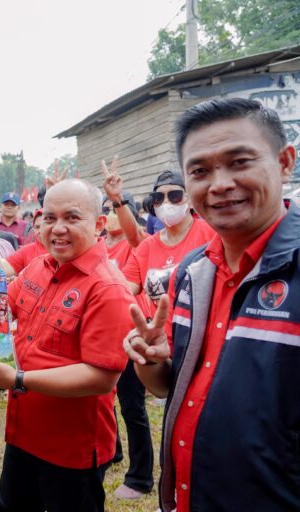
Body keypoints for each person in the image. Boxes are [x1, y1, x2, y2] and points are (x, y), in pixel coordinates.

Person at [125, 98, 300, 512]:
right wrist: (150, 361)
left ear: (285, 163)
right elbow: (167, 385)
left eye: (239, 162)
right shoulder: (194, 271)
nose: (219, 184)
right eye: (200, 171)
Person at [0, 179, 135, 512]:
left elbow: (101, 377)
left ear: (99, 224)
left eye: (71, 218)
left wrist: (18, 380)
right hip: (22, 435)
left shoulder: (108, 288)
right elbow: (2, 307)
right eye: (49, 218)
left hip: (71, 450)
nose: (57, 228)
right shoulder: (40, 266)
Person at [98, 161, 155, 500]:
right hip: (105, 335)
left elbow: (135, 233)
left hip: (133, 337)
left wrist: (116, 197)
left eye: (116, 209)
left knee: (133, 407)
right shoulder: (100, 246)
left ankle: (140, 477)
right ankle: (113, 452)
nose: (110, 215)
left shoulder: (139, 245)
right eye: (105, 210)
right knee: (103, 399)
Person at [121, 170, 216, 307]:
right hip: (157, 327)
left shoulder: (212, 235)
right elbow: (123, 292)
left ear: (189, 200)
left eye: (174, 196)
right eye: (158, 197)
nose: (166, 202)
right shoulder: (145, 248)